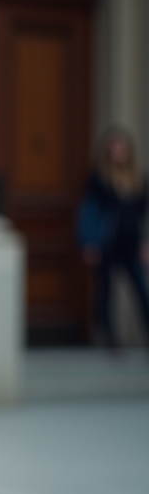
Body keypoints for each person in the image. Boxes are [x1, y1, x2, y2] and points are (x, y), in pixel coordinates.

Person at [79, 126, 149, 348]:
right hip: (107, 243)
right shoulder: (99, 178)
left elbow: (142, 215)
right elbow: (89, 211)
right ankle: (109, 337)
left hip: (131, 243)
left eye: (122, 148)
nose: (118, 152)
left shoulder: (138, 180)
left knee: (140, 289)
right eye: (114, 148)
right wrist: (89, 242)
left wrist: (145, 243)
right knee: (105, 291)